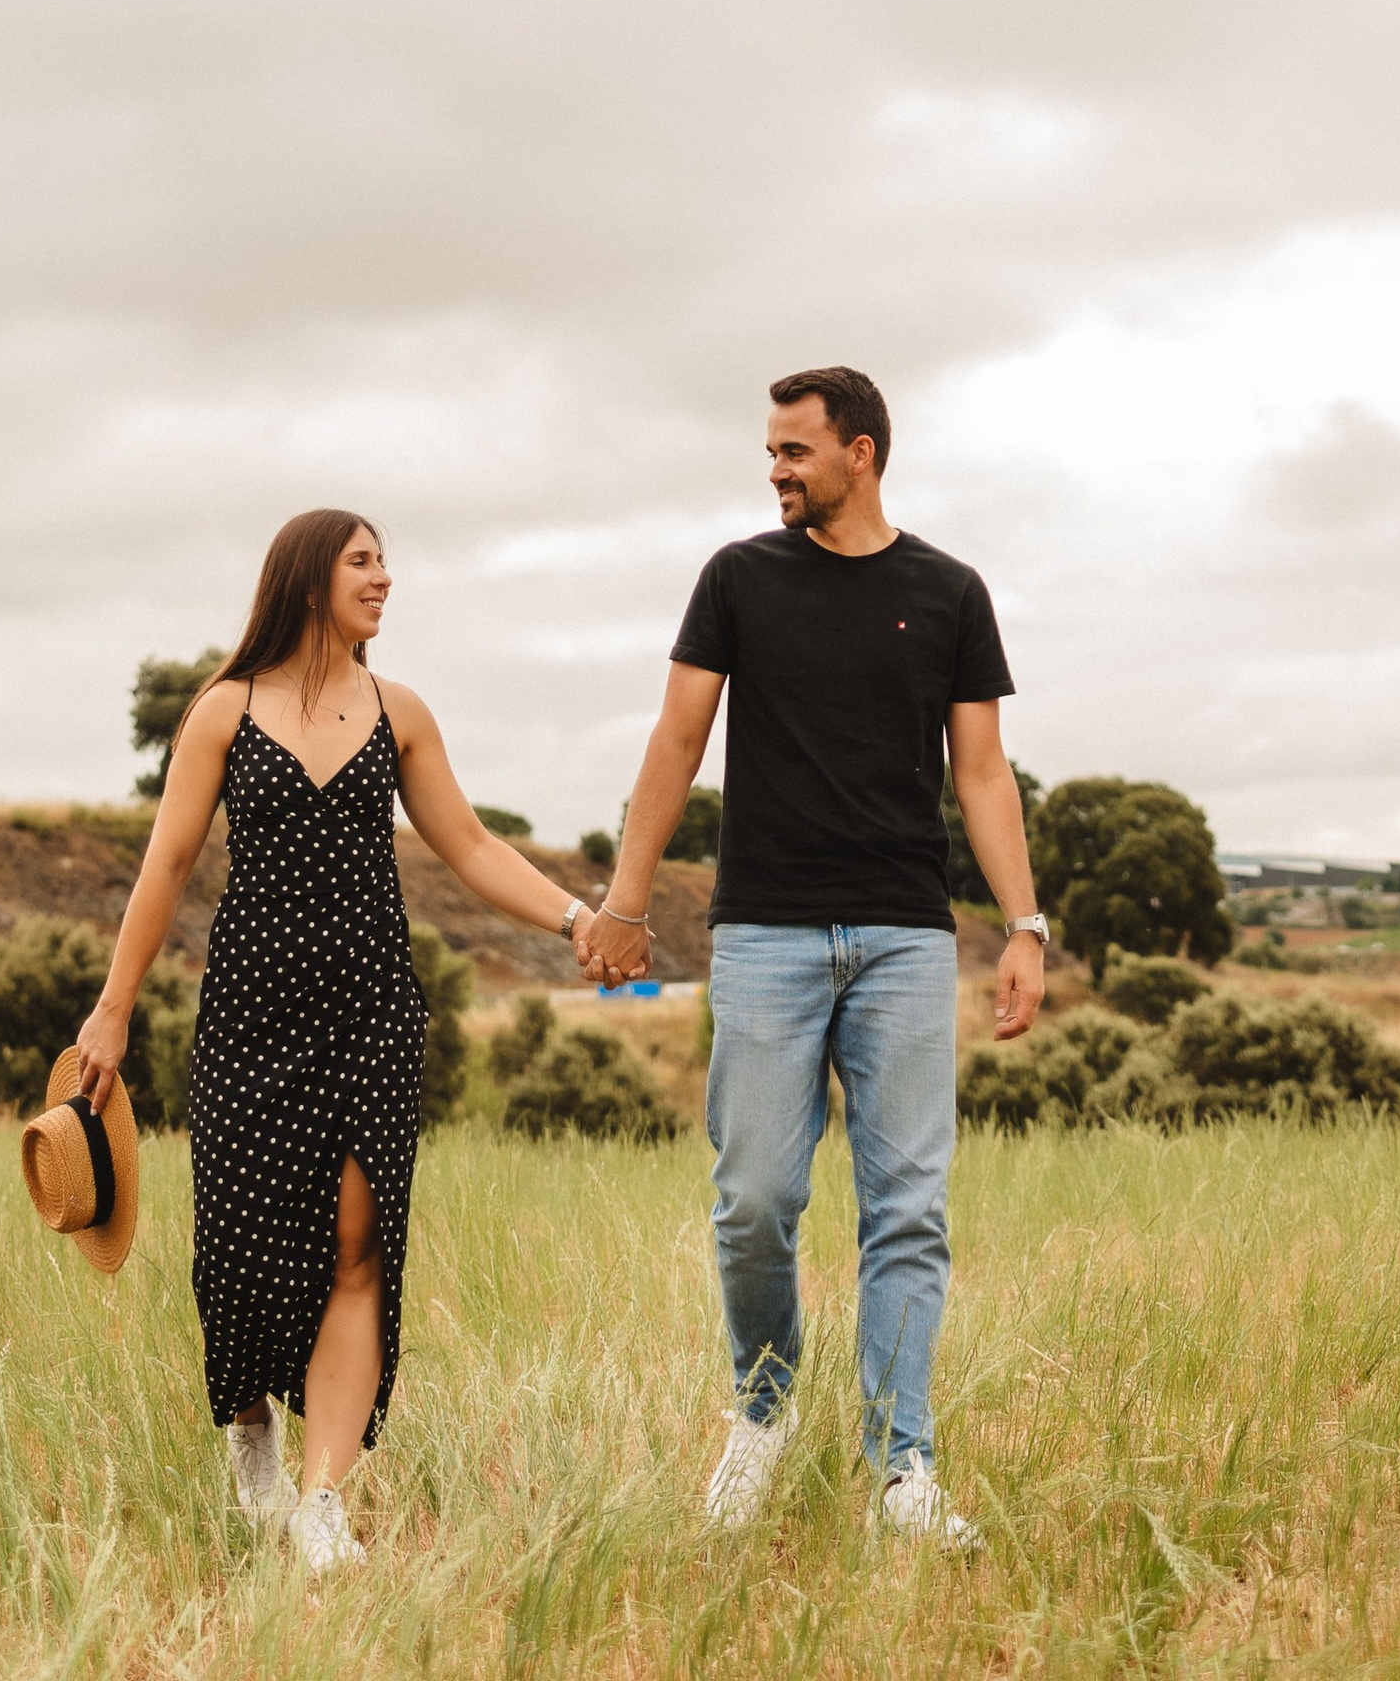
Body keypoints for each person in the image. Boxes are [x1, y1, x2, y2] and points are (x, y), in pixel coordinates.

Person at [73, 506, 598, 1576]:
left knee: (358, 1248)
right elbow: (165, 867)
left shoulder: (398, 712)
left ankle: (323, 1501)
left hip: (369, 1013)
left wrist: (577, 920)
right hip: (249, 1016)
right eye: (364, 562)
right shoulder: (224, 712)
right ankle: (250, 1424)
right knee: (238, 1251)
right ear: (310, 578)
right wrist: (113, 1007)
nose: (385, 579)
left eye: (386, 563)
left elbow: (469, 844)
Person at [578, 366, 1045, 1542]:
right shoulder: (737, 578)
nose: (776, 470)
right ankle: (763, 1409)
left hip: (901, 935)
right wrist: (625, 905)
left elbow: (980, 773)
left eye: (795, 451)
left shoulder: (949, 593)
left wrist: (1024, 926)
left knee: (906, 1212)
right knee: (754, 1197)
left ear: (862, 454)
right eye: (771, 453)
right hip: (765, 932)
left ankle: (903, 1472)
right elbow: (677, 738)